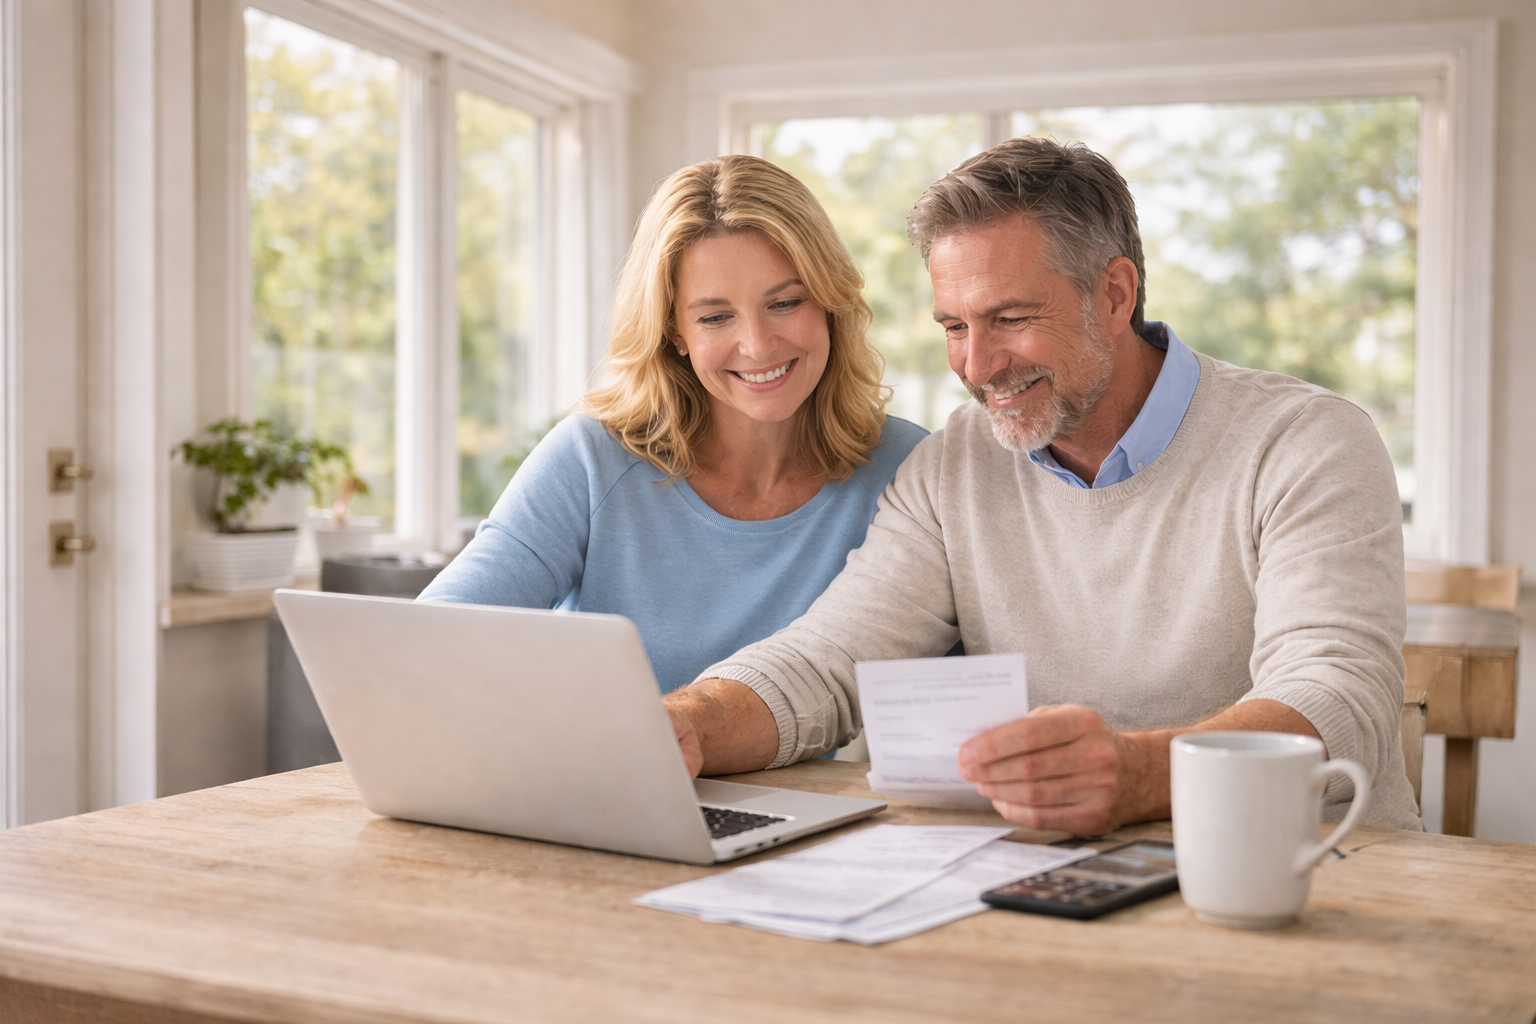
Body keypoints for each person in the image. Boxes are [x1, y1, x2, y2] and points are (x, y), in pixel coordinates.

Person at [664, 136, 1423, 835]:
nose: (977, 365)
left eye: (1011, 318)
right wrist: (687, 722)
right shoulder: (955, 464)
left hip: (1312, 875)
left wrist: (1142, 774)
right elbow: (828, 663)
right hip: (1064, 885)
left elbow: (1335, 696)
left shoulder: (1307, 442)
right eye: (955, 328)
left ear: (1116, 295)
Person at [419, 155, 926, 696]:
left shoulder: (904, 468)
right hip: (605, 778)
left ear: (830, 302)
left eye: (785, 302)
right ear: (673, 330)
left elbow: (970, 681)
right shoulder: (590, 460)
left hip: (800, 787)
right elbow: (431, 644)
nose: (757, 344)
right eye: (714, 317)